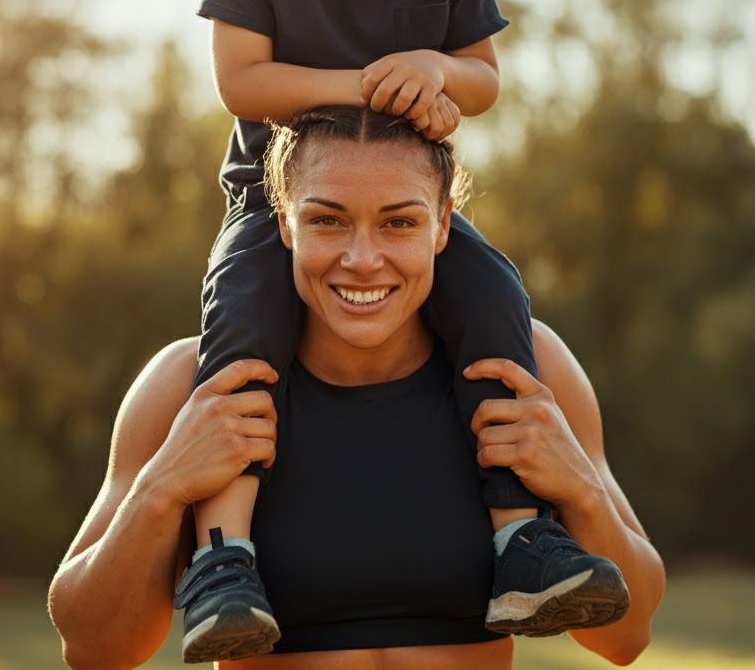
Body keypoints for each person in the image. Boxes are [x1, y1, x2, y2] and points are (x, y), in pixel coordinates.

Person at [186, 0, 626, 661]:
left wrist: (436, 69)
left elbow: (482, 81)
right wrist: (359, 82)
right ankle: (225, 555)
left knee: (493, 300)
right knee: (241, 325)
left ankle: (521, 539)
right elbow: (242, 84)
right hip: (277, 203)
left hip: (403, 205)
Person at [47, 107, 665, 670]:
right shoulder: (190, 386)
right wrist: (162, 488)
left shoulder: (531, 371)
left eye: (398, 222)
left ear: (444, 225)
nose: (362, 259)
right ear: (284, 223)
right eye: (327, 220)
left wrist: (580, 489)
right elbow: (95, 649)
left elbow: (625, 637)